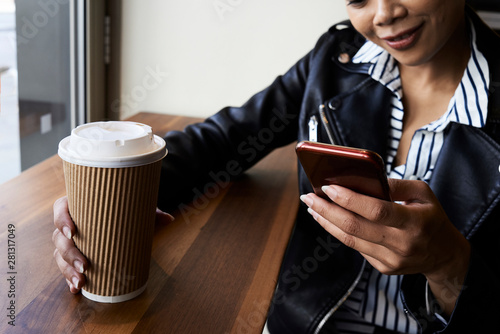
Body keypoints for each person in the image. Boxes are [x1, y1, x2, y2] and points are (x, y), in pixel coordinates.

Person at [53, 1, 500, 333]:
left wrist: (448, 265)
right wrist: (103, 193)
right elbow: (228, 138)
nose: (384, 14)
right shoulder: (336, 57)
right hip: (299, 321)